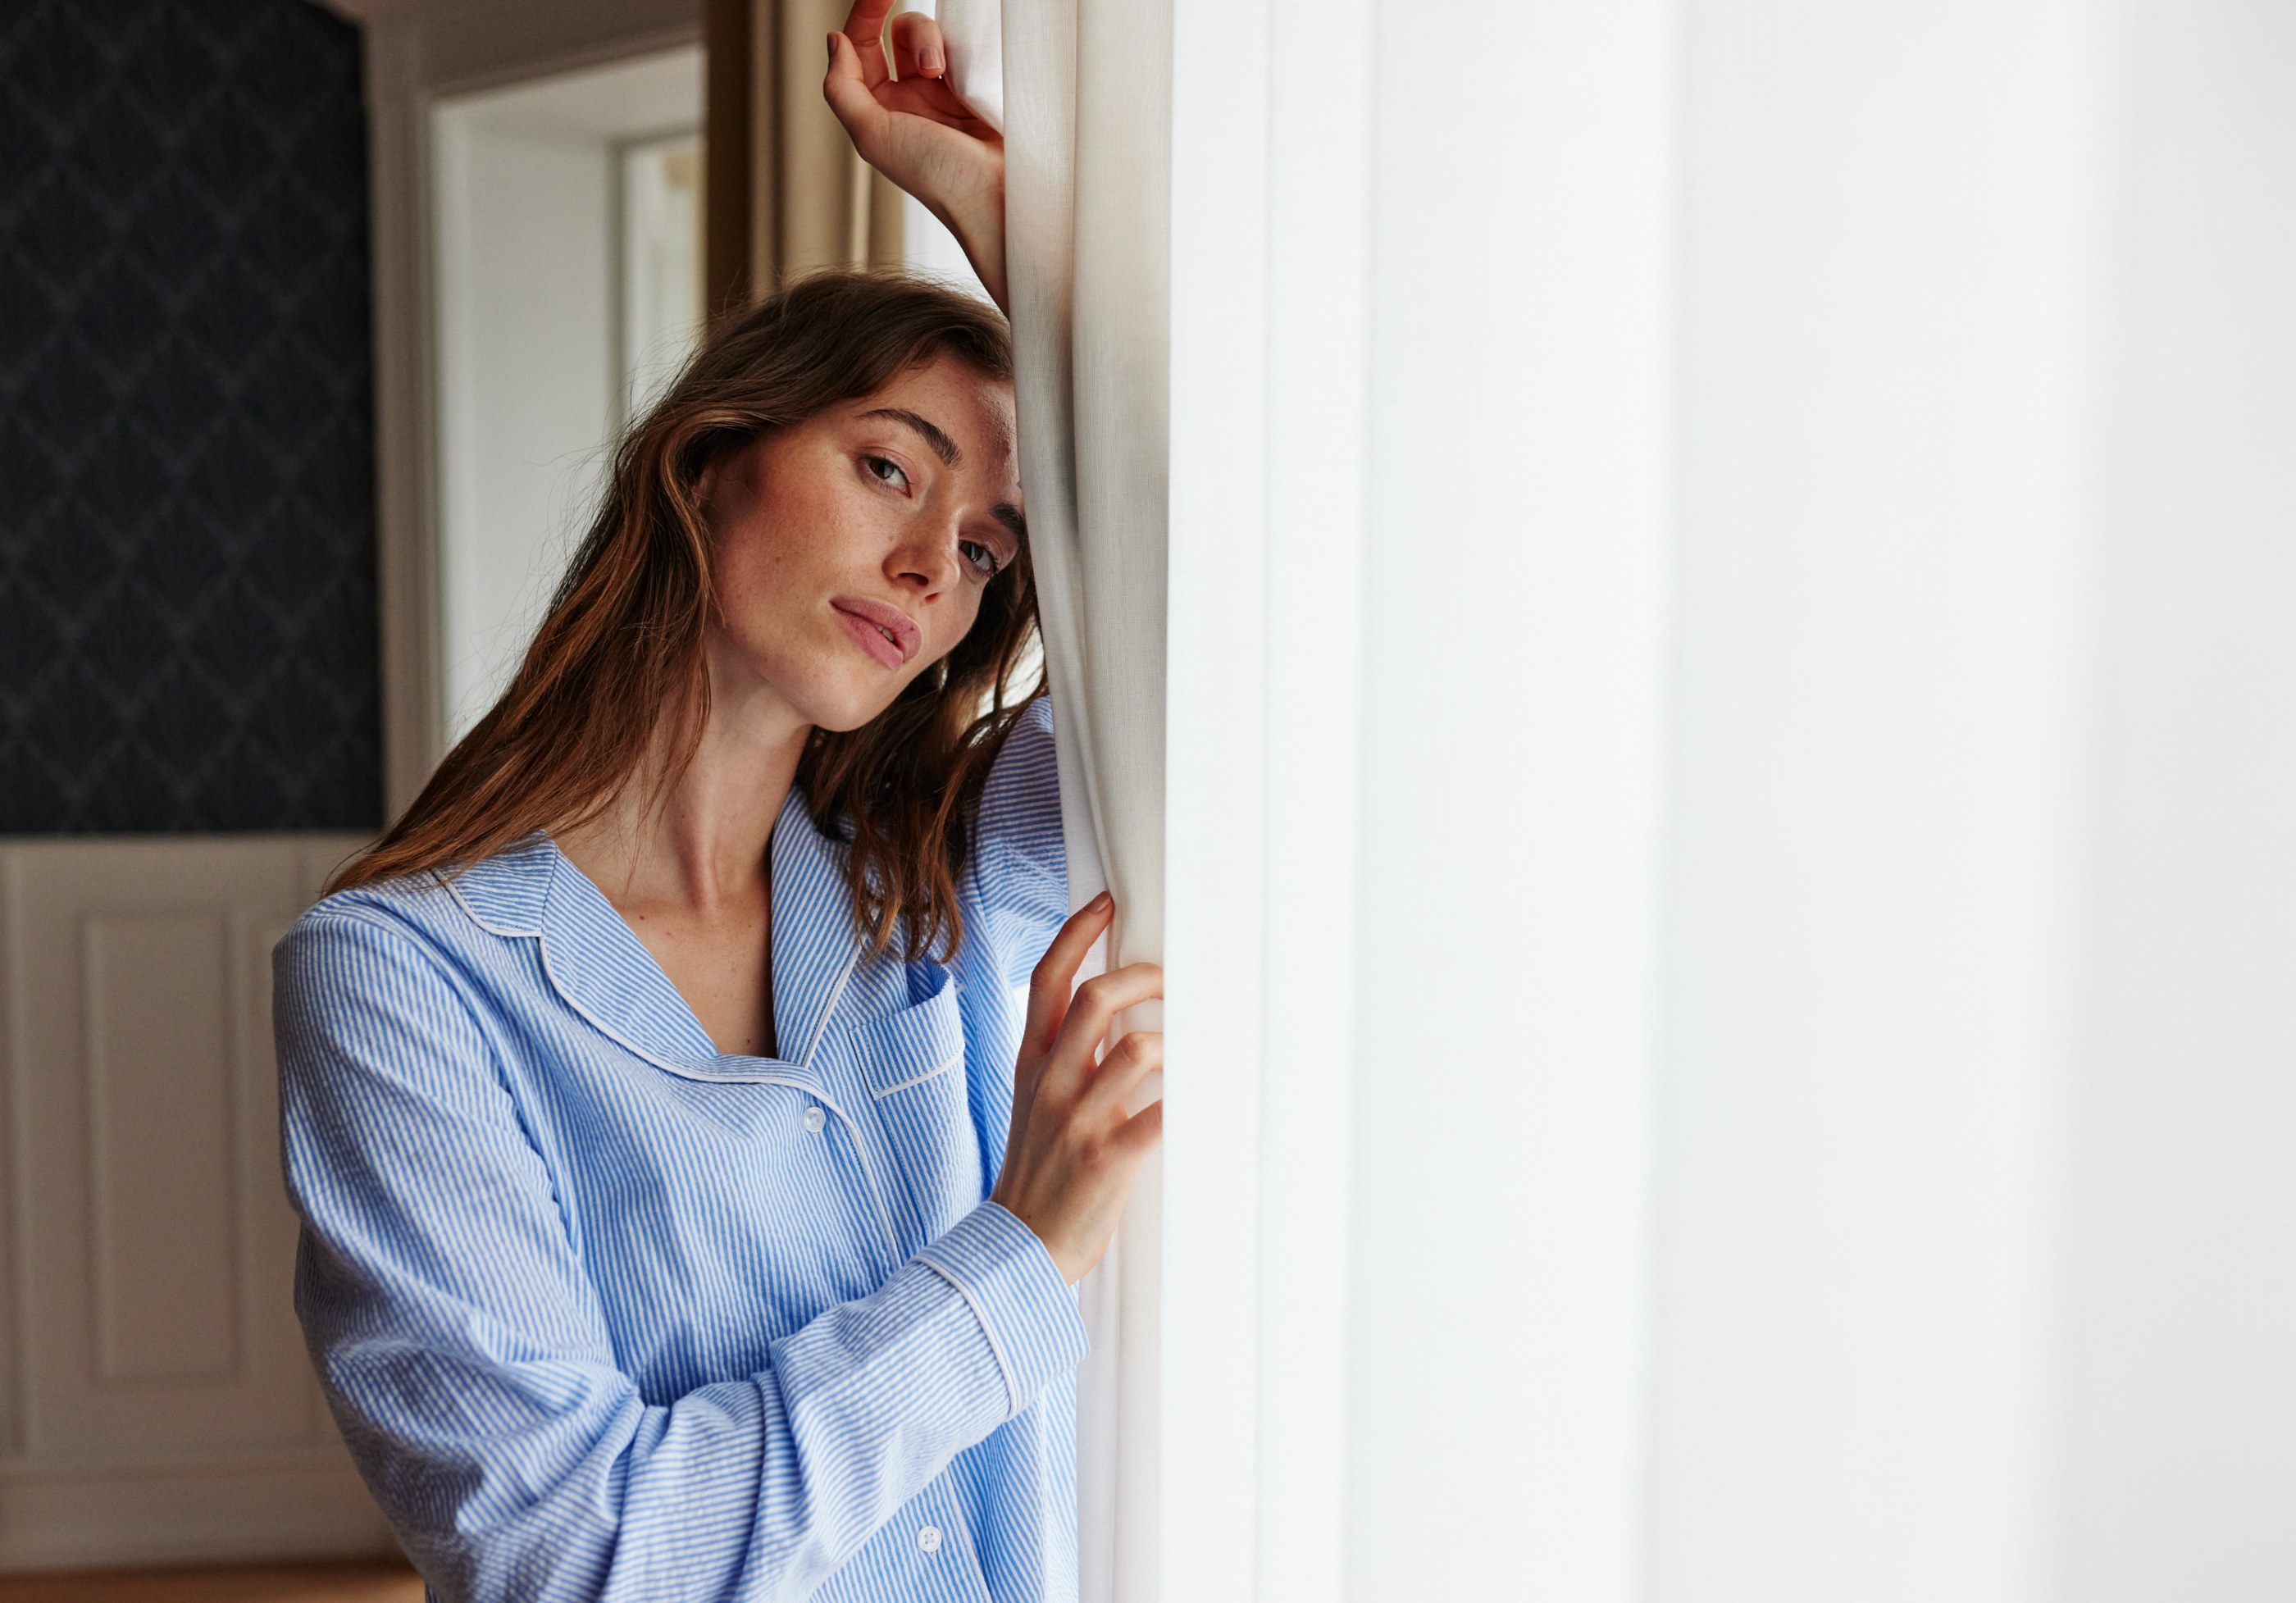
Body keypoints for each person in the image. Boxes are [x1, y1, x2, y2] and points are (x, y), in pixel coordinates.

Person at [273, 7, 1151, 1597]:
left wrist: (997, 216)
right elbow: (576, 1553)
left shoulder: (938, 874)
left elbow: (1241, 578)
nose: (928, 568)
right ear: (708, 465)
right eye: (892, 468)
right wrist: (1014, 1256)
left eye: (982, 548)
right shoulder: (399, 985)